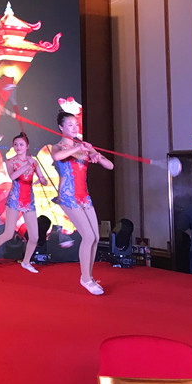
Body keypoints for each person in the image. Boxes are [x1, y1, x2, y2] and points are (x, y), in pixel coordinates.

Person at [50, 110, 113, 295]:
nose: (74, 127)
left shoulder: (84, 147)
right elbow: (57, 157)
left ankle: (89, 277)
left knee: (96, 237)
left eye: (76, 124)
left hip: (84, 196)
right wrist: (79, 148)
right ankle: (85, 278)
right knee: (88, 236)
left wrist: (95, 154)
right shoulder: (57, 147)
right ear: (61, 127)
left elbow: (110, 165)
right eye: (70, 125)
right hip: (67, 195)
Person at [0, 133, 50, 272]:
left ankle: (26, 262)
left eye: (21, 144)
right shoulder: (10, 162)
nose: (18, 147)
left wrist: (42, 180)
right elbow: (13, 177)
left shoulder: (34, 161)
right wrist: (26, 166)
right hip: (14, 200)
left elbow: (44, 180)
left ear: (27, 146)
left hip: (28, 201)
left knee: (34, 237)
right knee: (8, 233)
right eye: (16, 144)